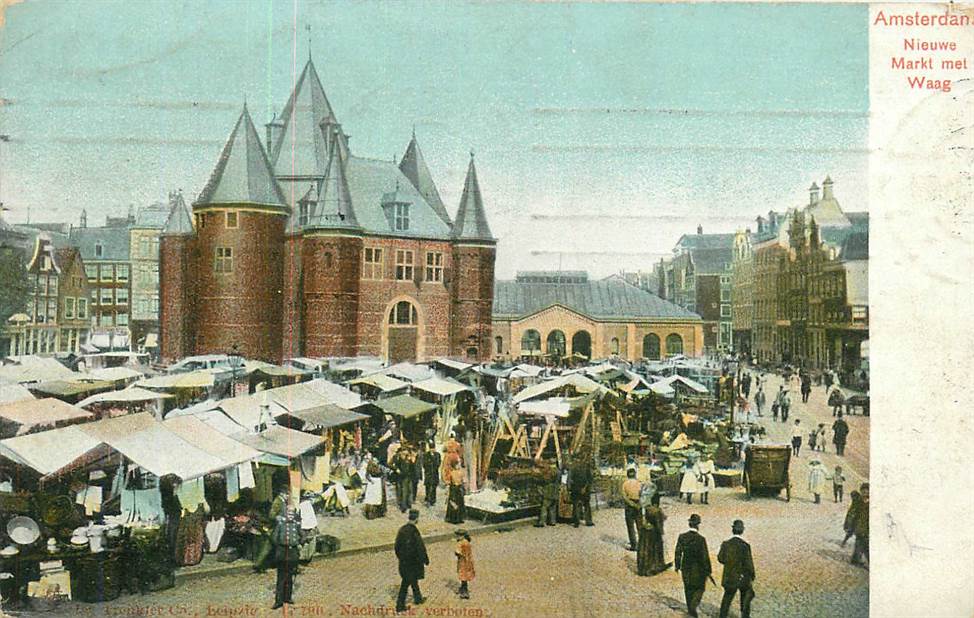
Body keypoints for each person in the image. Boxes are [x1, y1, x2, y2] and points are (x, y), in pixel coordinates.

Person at [674, 514, 712, 618]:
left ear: (689, 523)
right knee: (700, 587)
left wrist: (677, 566)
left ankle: (690, 608)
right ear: (698, 525)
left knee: (688, 587)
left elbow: (678, 552)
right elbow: (705, 556)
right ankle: (693, 606)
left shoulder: (682, 537)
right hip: (698, 568)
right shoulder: (701, 539)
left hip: (686, 566)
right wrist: (708, 570)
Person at [717, 519, 755, 618]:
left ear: (732, 530)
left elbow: (721, 559)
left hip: (730, 576)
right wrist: (752, 575)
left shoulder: (726, 544)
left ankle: (722, 616)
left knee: (727, 598)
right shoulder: (745, 546)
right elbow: (749, 563)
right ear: (742, 531)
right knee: (745, 599)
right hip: (743, 577)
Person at [395, 509, 429, 613]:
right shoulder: (414, 531)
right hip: (412, 563)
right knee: (406, 583)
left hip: (404, 562)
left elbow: (397, 546)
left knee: (413, 581)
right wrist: (425, 559)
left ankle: (418, 598)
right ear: (417, 518)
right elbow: (420, 547)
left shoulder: (402, 529)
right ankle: (400, 605)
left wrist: (401, 557)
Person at [270, 507, 302, 609]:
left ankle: (287, 598)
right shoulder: (280, 525)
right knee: (281, 577)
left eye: (292, 514)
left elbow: (303, 536)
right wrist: (280, 546)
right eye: (289, 514)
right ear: (285, 514)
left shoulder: (296, 525)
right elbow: (274, 538)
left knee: (290, 576)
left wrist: (298, 543)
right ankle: (279, 601)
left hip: (293, 553)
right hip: (282, 553)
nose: (290, 516)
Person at [637, 493, 669, 576]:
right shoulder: (657, 510)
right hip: (654, 533)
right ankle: (653, 567)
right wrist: (661, 532)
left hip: (645, 532)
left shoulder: (647, 508)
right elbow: (658, 523)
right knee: (654, 550)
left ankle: (643, 568)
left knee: (645, 549)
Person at [570, 455, 594, 527]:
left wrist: (570, 488)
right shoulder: (587, 468)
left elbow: (571, 479)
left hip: (575, 489)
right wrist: (585, 488)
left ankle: (576, 522)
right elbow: (590, 479)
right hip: (585, 489)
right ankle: (588, 521)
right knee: (586, 505)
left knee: (576, 505)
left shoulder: (573, 468)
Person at [621, 467, 642, 550]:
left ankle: (634, 545)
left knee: (630, 527)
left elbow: (624, 496)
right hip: (638, 504)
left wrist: (631, 504)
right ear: (635, 474)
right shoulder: (639, 483)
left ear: (627, 475)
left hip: (629, 506)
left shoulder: (625, 484)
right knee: (639, 526)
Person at [851, 484, 869, 567]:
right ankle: (856, 559)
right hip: (859, 526)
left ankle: (855, 559)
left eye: (867, 491)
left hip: (867, 527)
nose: (865, 493)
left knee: (864, 544)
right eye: (863, 492)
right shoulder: (858, 502)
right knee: (860, 543)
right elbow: (852, 514)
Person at [454, 529, 475, 599]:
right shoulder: (466, 542)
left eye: (458, 536)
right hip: (468, 561)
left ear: (463, 536)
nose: (457, 537)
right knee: (465, 574)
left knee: (463, 575)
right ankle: (463, 588)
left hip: (463, 561)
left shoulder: (462, 543)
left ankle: (465, 591)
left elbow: (458, 552)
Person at [421, 441, 441, 506]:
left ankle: (433, 500)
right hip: (428, 473)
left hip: (435, 473)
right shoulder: (426, 455)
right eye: (431, 448)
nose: (432, 449)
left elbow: (438, 463)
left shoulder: (437, 455)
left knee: (434, 487)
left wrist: (433, 461)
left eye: (433, 448)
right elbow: (424, 464)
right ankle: (428, 499)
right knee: (428, 487)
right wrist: (429, 464)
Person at [445, 460, 465, 524]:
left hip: (459, 488)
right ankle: (452, 519)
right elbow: (449, 481)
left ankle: (459, 518)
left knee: (460, 503)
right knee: (453, 502)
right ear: (455, 465)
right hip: (453, 489)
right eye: (458, 464)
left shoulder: (461, 472)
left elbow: (462, 480)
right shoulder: (452, 472)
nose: (459, 465)